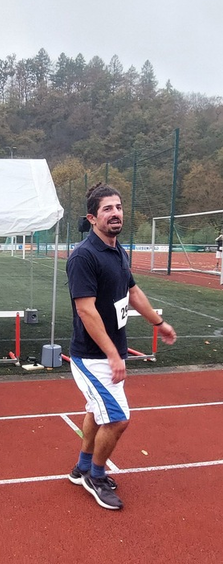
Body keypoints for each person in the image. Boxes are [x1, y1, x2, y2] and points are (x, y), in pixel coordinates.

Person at [66, 182, 176, 510]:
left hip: (110, 353)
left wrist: (158, 322)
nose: (115, 213)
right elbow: (85, 310)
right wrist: (114, 355)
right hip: (91, 356)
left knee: (96, 413)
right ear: (92, 217)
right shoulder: (84, 257)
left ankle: (83, 467)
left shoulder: (118, 250)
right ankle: (96, 476)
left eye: (118, 207)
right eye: (107, 209)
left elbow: (133, 292)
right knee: (118, 418)